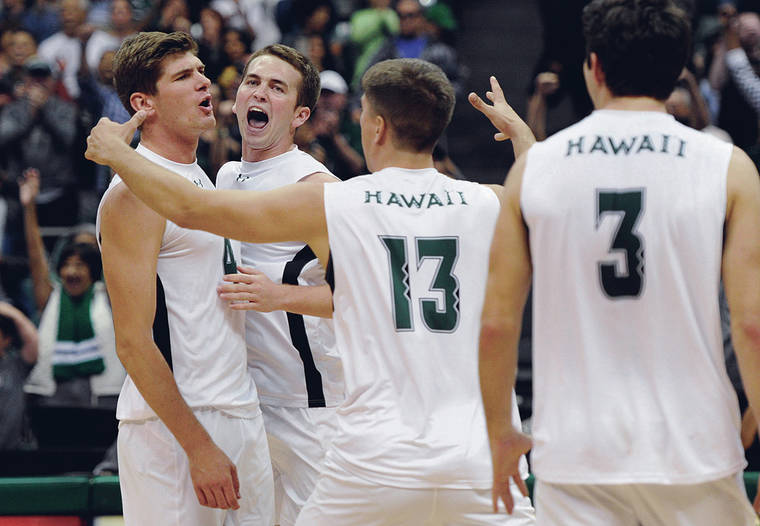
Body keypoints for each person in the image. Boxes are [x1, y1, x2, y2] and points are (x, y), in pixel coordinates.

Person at [85, 58, 537, 524]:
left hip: (369, 447)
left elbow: (187, 207)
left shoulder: (333, 198)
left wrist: (117, 153)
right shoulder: (487, 201)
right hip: (477, 449)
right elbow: (547, 200)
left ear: (376, 127)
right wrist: (523, 136)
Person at [478, 0, 760, 524]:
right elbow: (751, 325)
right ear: (677, 69)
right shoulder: (729, 166)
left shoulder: (535, 170)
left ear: (594, 66)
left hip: (577, 456)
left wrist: (500, 435)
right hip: (695, 454)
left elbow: (496, 325)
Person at [94, 31, 273, 525]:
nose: (204, 84)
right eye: (184, 77)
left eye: (201, 72)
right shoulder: (130, 195)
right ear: (142, 104)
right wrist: (198, 447)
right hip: (176, 427)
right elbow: (132, 342)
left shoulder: (201, 178)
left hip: (236, 407)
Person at [214, 43, 343, 526]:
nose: (260, 93)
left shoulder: (318, 187)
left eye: (276, 87)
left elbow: (361, 297)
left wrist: (278, 296)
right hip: (244, 403)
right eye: (253, 81)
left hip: (312, 405)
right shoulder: (226, 176)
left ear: (299, 113)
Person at [0, 301, 38, 450]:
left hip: (17, 450)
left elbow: (33, 341)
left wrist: (9, 311)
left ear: (6, 340)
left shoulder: (16, 364)